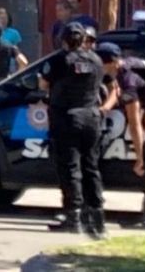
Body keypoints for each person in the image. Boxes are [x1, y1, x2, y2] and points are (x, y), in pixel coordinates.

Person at [41, 23, 107, 238]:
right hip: (91, 118)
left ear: (64, 40)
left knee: (70, 168)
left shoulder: (61, 59)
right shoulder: (96, 60)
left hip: (67, 118)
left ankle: (73, 216)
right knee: (91, 167)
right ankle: (97, 218)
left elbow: (43, 83)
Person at [95, 43, 145, 229]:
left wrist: (139, 157)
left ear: (111, 63)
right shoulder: (132, 63)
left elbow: (133, 121)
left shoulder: (127, 77)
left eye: (101, 64)